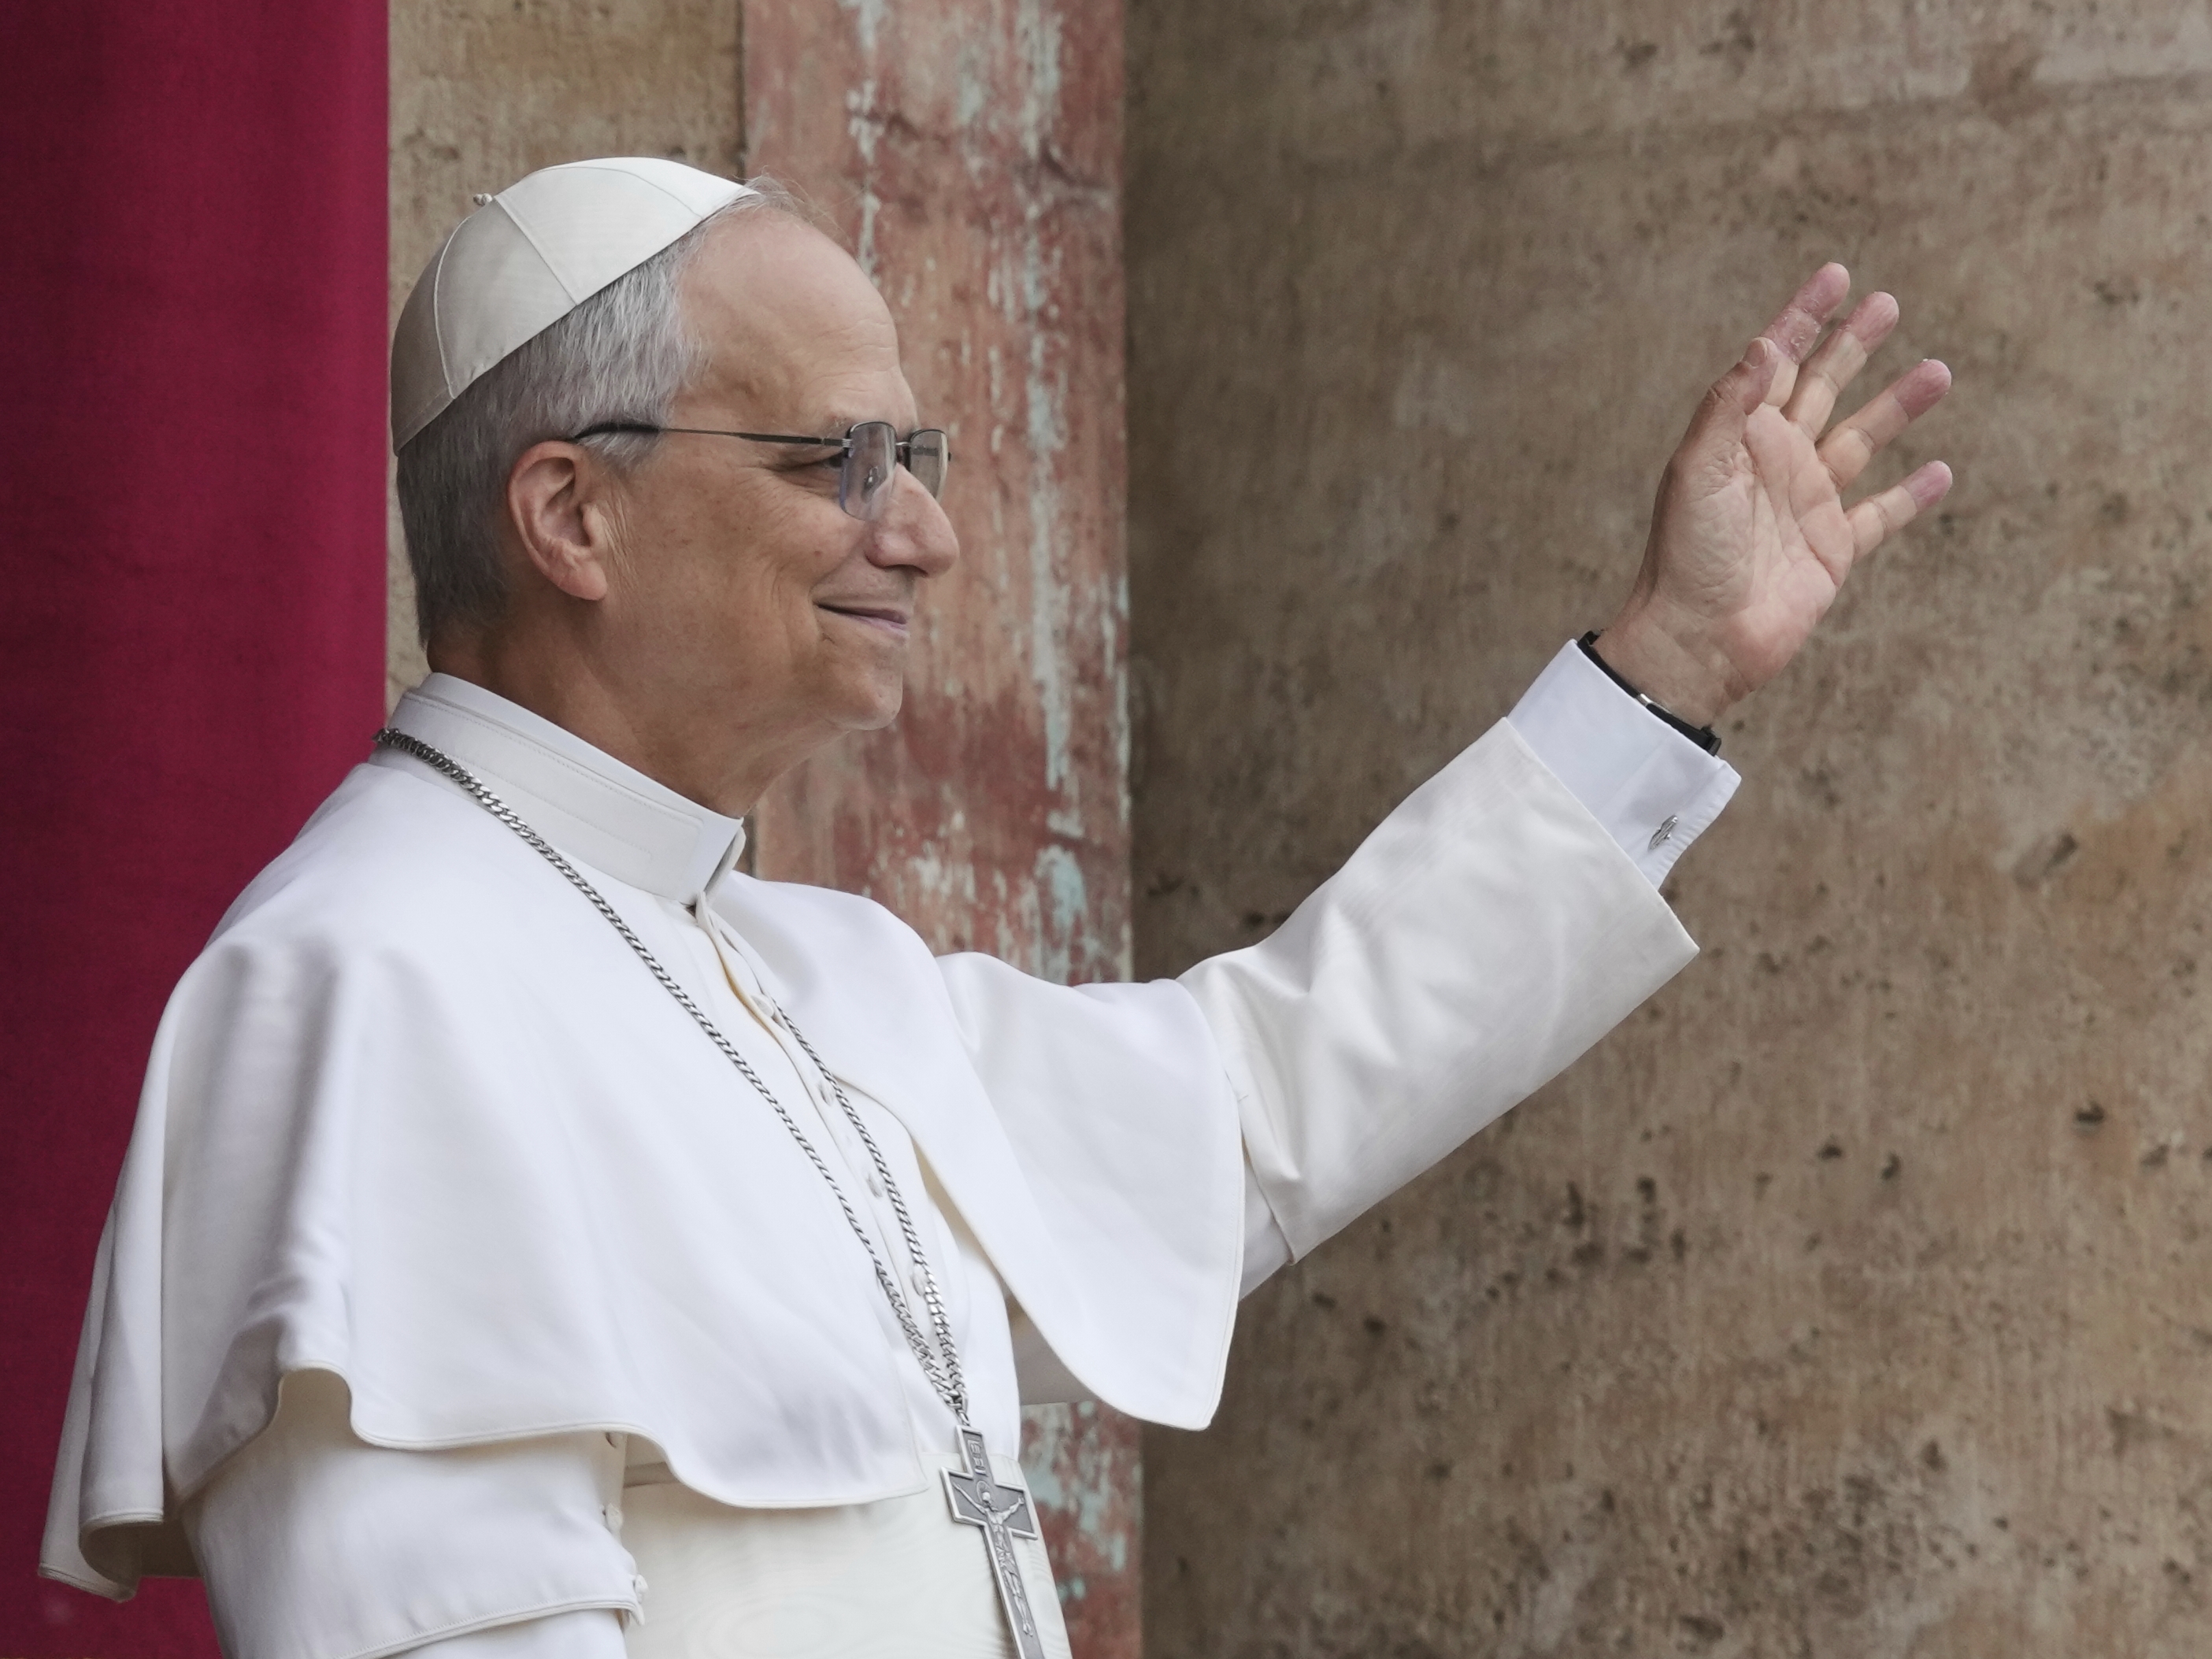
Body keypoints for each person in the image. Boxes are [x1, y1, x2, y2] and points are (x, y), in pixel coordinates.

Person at [40, 157, 1953, 1659]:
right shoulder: (365, 986)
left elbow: (1253, 1098)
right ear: (571, 517)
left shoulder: (803, 970)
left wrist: (1668, 665)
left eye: (922, 457)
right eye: (840, 460)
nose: (927, 530)